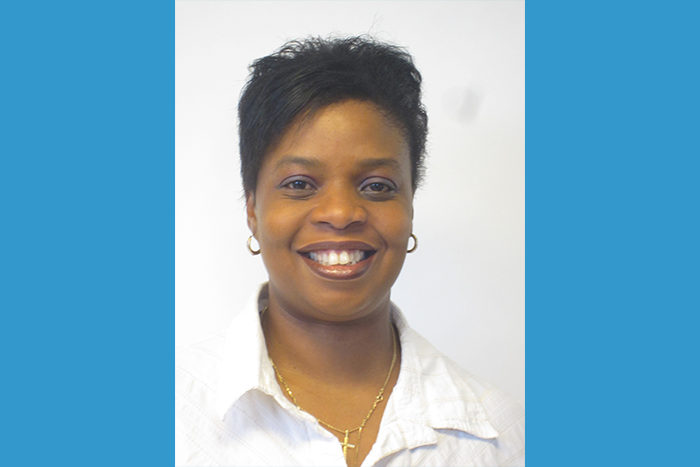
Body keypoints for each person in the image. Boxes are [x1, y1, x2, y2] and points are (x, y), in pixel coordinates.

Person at [175, 36, 525, 467]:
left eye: (377, 186)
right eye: (300, 184)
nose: (341, 214)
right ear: (253, 210)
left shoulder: (503, 437)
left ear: (409, 208)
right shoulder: (176, 410)